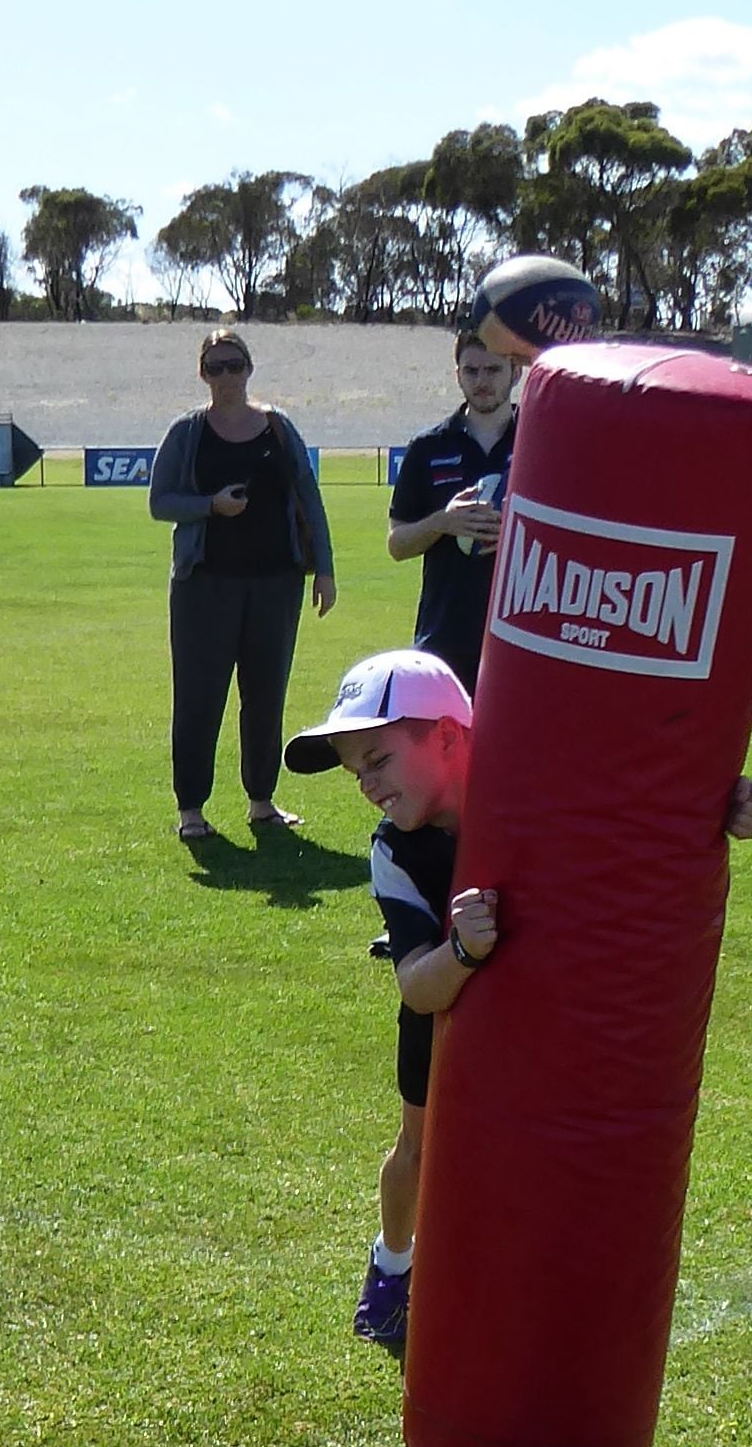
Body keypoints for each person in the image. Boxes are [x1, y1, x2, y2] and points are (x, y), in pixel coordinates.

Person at [279, 649, 494, 1354]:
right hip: (441, 1004)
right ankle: (393, 1262)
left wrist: (726, 799)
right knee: (419, 1147)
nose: (368, 785)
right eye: (357, 772)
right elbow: (415, 984)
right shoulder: (394, 850)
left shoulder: (521, 794)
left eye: (379, 759)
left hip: (533, 1017)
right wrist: (463, 950)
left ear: (448, 735)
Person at [149, 327, 336, 844]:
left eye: (234, 365)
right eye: (216, 367)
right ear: (202, 374)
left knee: (266, 695)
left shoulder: (278, 427)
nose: (226, 376)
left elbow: (308, 496)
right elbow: (160, 502)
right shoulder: (188, 432)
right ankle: (191, 810)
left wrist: (324, 567)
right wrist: (210, 505)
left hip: (275, 584)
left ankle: (262, 802)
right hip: (203, 586)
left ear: (249, 369)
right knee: (199, 698)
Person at [384, 327, 518, 686]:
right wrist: (443, 523)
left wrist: (519, 531)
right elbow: (397, 545)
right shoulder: (428, 448)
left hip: (520, 636)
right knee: (448, 742)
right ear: (457, 374)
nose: (482, 381)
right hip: (445, 637)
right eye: (471, 371)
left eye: (493, 370)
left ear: (515, 372)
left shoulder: (541, 444)